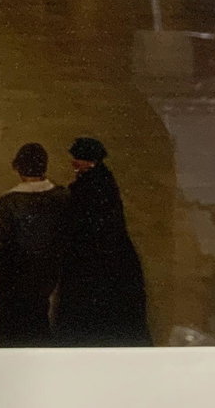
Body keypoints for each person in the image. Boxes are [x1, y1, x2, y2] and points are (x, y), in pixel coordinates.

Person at [54, 137, 153, 346]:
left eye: (77, 159)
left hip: (92, 266)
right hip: (112, 263)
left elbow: (80, 225)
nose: (73, 163)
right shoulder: (104, 183)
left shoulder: (86, 188)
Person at [0, 142, 70, 347]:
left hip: (12, 281)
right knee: (39, 321)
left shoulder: (7, 204)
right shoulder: (61, 197)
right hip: (46, 276)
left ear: (18, 168)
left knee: (13, 332)